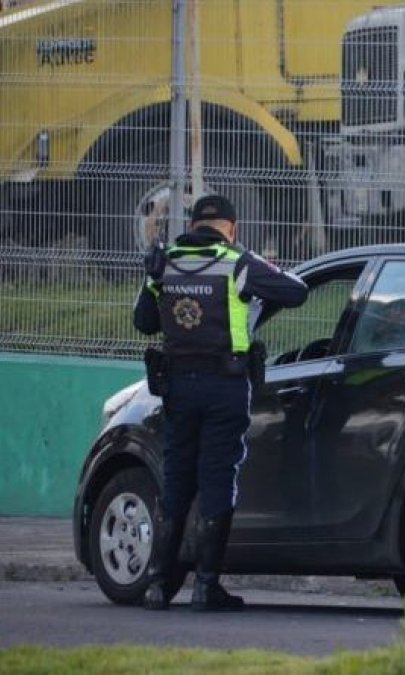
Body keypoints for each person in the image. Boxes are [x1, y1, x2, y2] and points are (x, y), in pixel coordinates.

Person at [133, 194, 308, 611]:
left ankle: (157, 586)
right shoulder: (237, 263)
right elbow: (297, 292)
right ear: (231, 227)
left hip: (177, 387)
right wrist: (257, 295)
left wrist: (155, 281)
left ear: (194, 225)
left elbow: (144, 322)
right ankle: (205, 586)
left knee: (176, 481)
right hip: (224, 388)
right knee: (217, 480)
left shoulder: (166, 262)